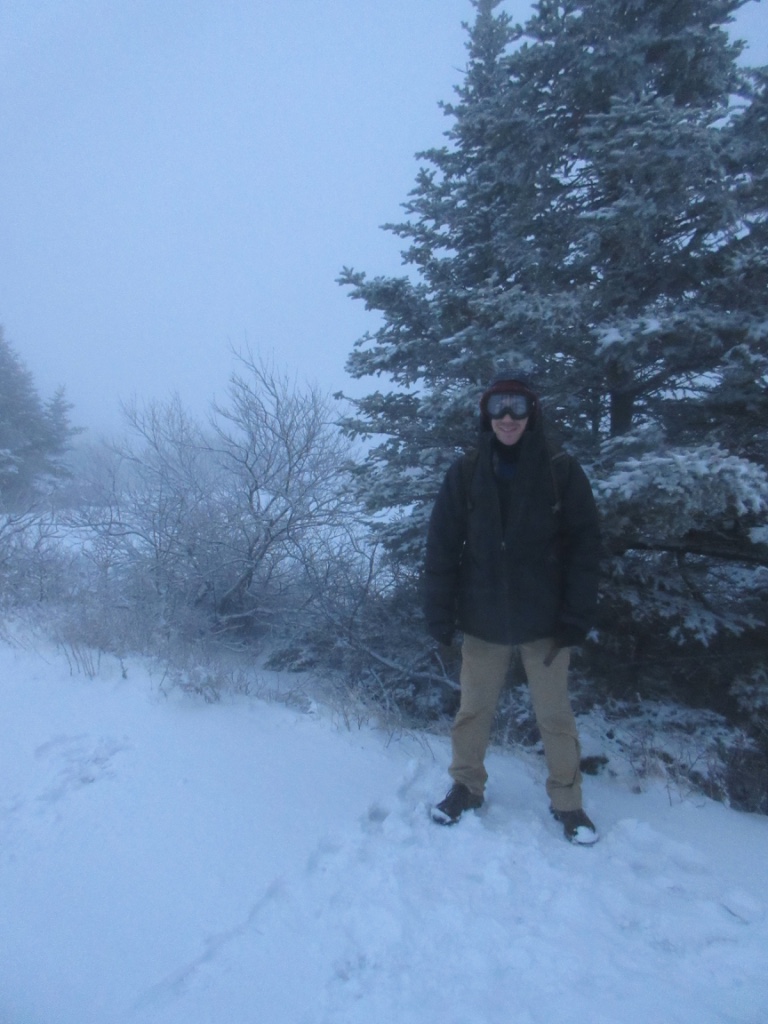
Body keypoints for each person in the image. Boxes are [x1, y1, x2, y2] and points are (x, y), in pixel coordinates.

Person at [423, 369, 601, 843]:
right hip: (483, 619)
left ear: (532, 413)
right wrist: (438, 612)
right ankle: (466, 787)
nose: (507, 417)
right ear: (486, 413)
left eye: (517, 407)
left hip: (546, 622)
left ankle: (568, 803)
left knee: (555, 717)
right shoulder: (466, 471)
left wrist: (575, 617)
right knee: (473, 711)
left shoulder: (560, 470)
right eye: (498, 406)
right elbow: (442, 545)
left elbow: (586, 548)